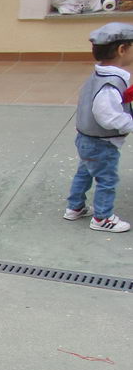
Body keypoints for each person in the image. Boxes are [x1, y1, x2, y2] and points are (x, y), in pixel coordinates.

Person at [64, 22, 133, 233]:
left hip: (86, 139)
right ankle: (102, 218)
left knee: (84, 173)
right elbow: (108, 116)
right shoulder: (110, 83)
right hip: (101, 143)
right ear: (122, 49)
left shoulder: (98, 77)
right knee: (107, 178)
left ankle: (75, 207)